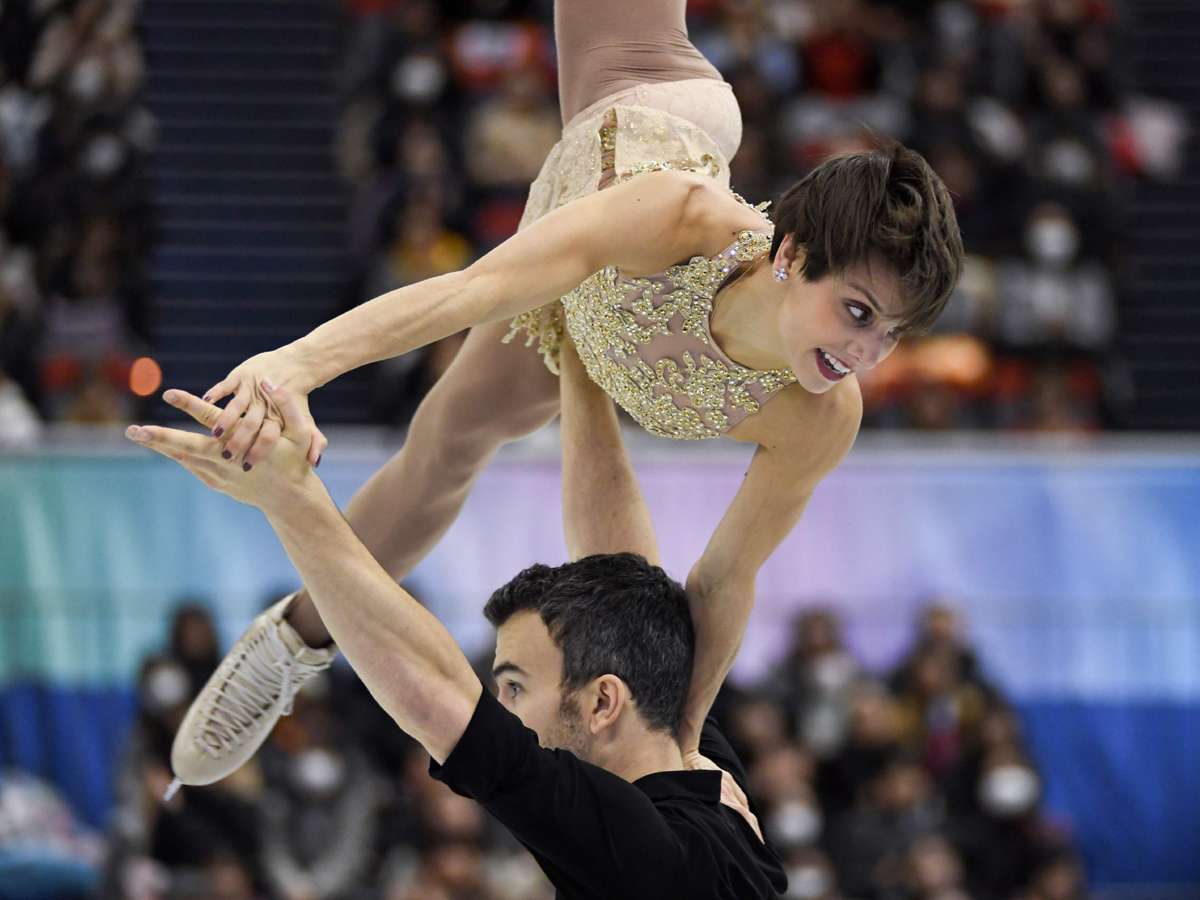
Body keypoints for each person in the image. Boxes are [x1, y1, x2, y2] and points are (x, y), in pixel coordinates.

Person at [168, 0, 962, 789]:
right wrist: (296, 363)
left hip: (594, 312)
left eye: (891, 333)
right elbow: (469, 291)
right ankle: (284, 647)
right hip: (639, 99)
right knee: (442, 446)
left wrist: (681, 747)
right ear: (792, 252)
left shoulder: (821, 415)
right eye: (857, 312)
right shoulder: (676, 220)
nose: (865, 353)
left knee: (469, 454)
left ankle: (296, 637)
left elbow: (721, 581)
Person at [125, 338, 787, 899]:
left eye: (516, 687)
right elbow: (620, 568)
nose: (501, 705)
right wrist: (582, 361)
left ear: (603, 702)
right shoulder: (698, 772)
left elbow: (443, 703)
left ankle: (297, 635)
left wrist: (292, 500)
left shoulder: (646, 858)